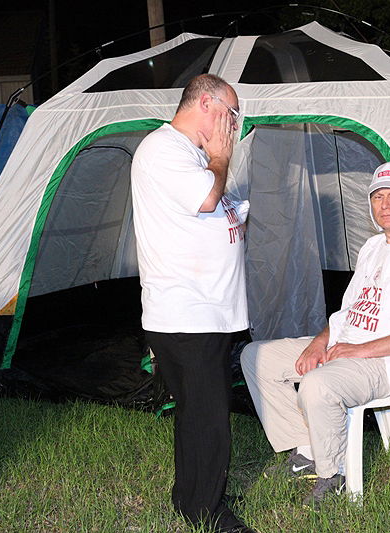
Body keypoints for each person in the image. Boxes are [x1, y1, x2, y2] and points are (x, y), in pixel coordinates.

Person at [241, 160, 390, 505]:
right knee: (256, 357)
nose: (385, 204)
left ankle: (333, 475)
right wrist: (319, 343)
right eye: (377, 197)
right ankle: (307, 449)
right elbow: (347, 313)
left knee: (318, 384)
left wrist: (359, 350)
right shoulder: (372, 247)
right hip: (348, 346)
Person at [130, 74, 253, 533]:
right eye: (231, 114)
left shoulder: (191, 155)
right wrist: (221, 158)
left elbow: (213, 209)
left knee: (197, 413)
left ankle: (192, 496)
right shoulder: (163, 149)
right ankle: (208, 511)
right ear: (206, 103)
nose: (234, 126)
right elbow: (206, 198)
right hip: (187, 312)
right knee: (210, 418)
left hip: (207, 312)